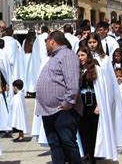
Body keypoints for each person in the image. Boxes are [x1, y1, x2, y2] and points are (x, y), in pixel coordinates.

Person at [35, 31, 82, 164]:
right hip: (48, 109)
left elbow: (72, 82)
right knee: (55, 144)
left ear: (52, 41)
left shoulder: (67, 55)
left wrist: (68, 101)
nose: (45, 44)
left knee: (68, 143)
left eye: (46, 41)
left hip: (62, 110)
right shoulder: (54, 57)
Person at [22, 29, 37, 97]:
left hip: (26, 59)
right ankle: (32, 90)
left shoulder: (25, 41)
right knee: (32, 75)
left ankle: (27, 89)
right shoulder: (35, 41)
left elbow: (22, 50)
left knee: (27, 75)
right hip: (32, 59)